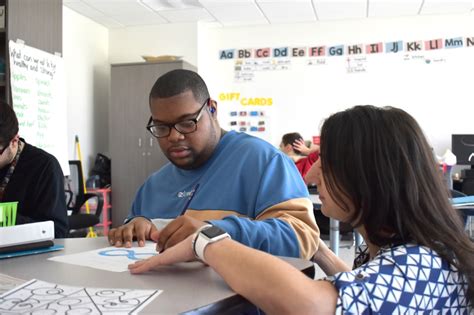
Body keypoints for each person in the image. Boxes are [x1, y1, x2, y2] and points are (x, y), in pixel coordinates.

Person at [129, 105, 474, 314]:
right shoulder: (411, 254)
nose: (310, 173)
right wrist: (321, 252)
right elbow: (360, 290)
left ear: (370, 175)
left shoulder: (422, 265)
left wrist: (208, 241)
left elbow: (310, 306)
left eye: (325, 161)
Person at [108, 70, 319, 259]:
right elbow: (133, 246)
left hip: (238, 300)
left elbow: (303, 238)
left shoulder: (264, 162)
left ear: (212, 109)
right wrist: (133, 228)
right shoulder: (153, 186)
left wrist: (214, 233)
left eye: (187, 122)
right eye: (162, 127)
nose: (174, 136)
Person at [0, 101, 68, 238]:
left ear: (14, 141)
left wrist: (3, 217)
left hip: (25, 256)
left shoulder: (45, 167)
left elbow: (58, 233)